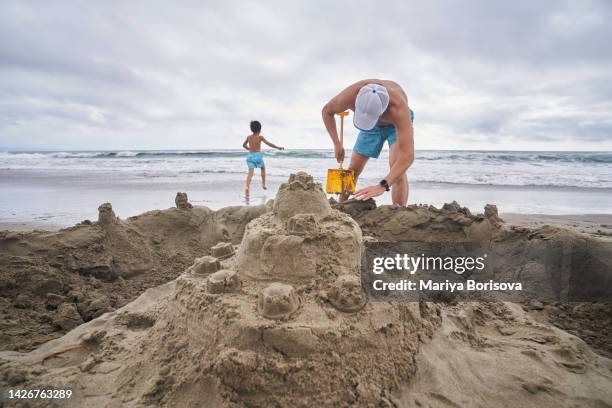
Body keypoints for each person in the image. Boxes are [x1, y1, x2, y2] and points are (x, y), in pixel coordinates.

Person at [321, 79, 414, 205]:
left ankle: (399, 211)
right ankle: (340, 207)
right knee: (353, 169)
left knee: (397, 168)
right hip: (372, 127)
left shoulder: (398, 109)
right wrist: (336, 143)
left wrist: (382, 186)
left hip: (395, 126)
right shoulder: (351, 95)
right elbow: (327, 111)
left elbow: (407, 156)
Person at [242, 120, 284, 196]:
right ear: (260, 129)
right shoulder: (260, 137)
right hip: (257, 156)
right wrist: (278, 147)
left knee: (250, 173)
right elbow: (269, 144)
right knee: (263, 168)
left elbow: (243, 145)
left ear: (252, 129)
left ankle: (247, 186)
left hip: (250, 156)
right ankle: (263, 184)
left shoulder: (249, 137)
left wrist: (249, 149)